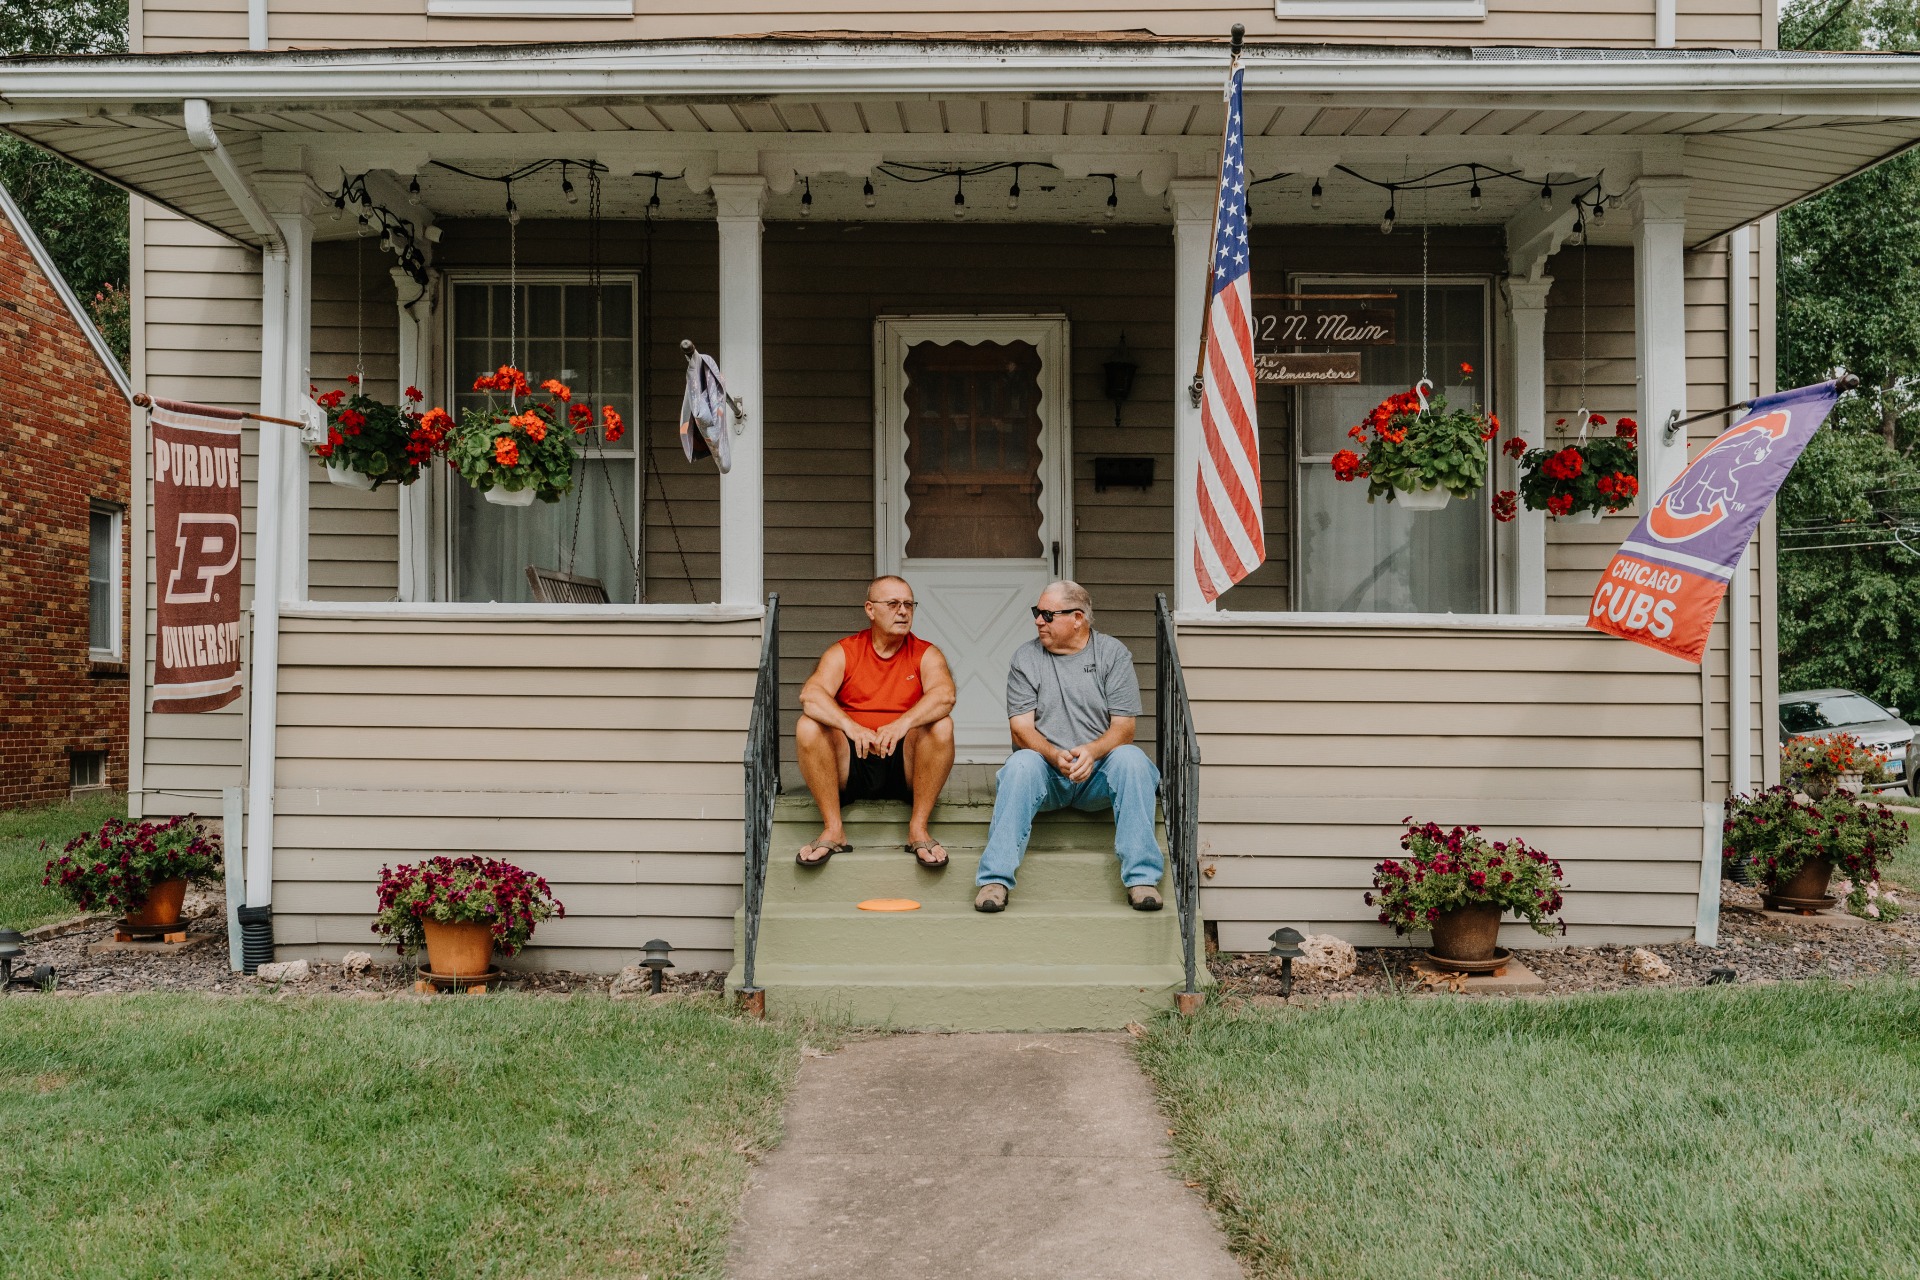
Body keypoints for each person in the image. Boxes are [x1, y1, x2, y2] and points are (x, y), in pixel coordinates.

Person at [973, 581, 1166, 913]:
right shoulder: (1026, 657)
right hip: (1047, 776)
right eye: (1037, 613)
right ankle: (994, 880)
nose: (1038, 621)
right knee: (1020, 764)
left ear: (1078, 618)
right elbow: (1020, 730)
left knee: (1133, 759)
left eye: (1047, 615)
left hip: (1096, 776)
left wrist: (1091, 752)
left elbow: (1125, 729)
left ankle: (1141, 879)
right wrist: (1053, 754)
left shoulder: (1112, 654)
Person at [795, 575, 957, 868]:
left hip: (905, 764)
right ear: (870, 609)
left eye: (909, 604)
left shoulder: (925, 654)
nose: (903, 611)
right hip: (852, 759)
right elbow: (811, 696)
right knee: (807, 726)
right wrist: (851, 727)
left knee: (943, 725)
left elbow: (945, 696)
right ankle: (833, 829)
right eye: (893, 604)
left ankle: (918, 830)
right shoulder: (845, 651)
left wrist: (901, 724)